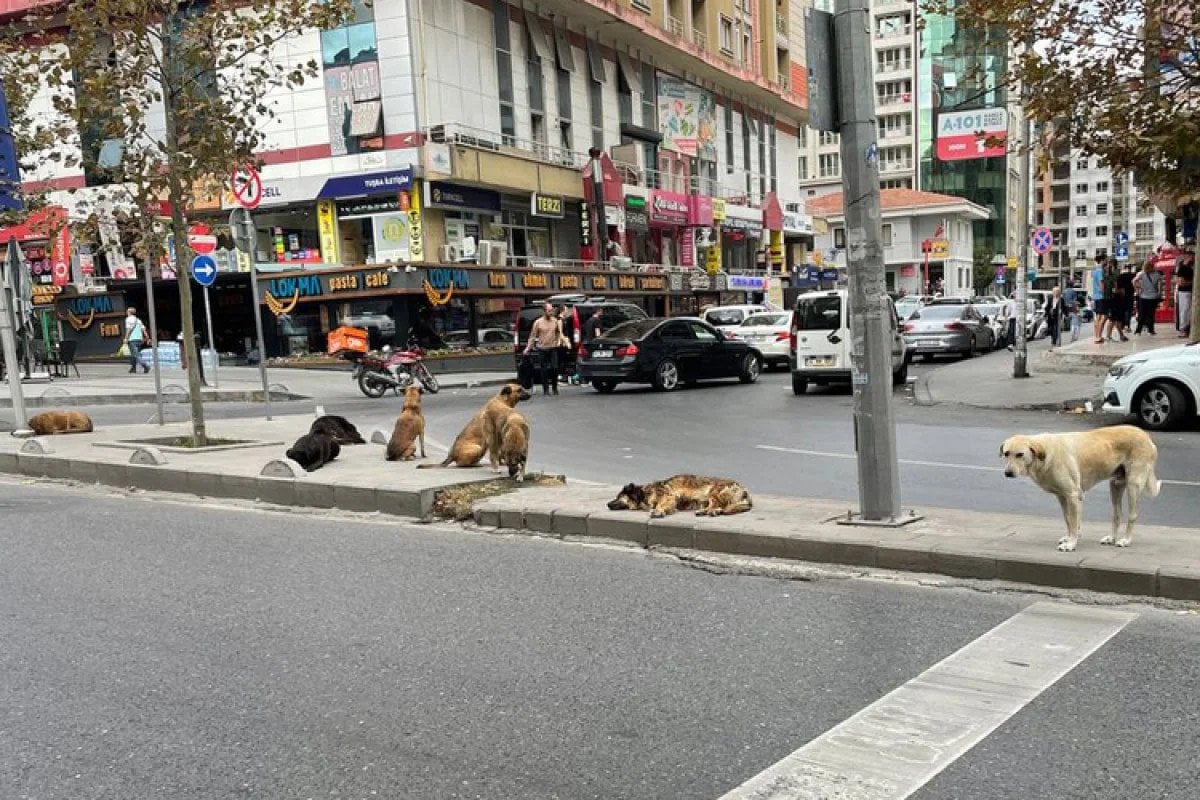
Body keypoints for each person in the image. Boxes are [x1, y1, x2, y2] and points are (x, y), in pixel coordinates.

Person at [524, 301, 563, 395]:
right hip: (542, 348)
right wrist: (527, 348)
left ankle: (554, 387)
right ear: (544, 311)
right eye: (549, 311)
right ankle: (546, 389)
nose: (551, 312)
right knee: (544, 369)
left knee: (555, 368)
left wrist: (559, 341)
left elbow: (559, 333)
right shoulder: (538, 322)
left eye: (552, 310)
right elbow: (532, 336)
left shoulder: (555, 321)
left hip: (553, 348)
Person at [1133, 261, 1163, 335]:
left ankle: (1138, 331)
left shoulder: (1141, 274)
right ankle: (1151, 330)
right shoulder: (1157, 274)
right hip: (1153, 297)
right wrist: (1159, 293)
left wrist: (1138, 289)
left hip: (1143, 297)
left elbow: (1134, 281)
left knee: (1142, 314)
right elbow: (1160, 286)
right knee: (1151, 314)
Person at [1109, 261, 1133, 342]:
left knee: (1115, 319)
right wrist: (1121, 291)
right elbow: (1117, 289)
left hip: (1114, 299)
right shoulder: (1116, 275)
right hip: (1118, 299)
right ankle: (1113, 336)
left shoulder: (1113, 275)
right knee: (1114, 319)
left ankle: (1120, 335)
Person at [122, 307, 150, 374]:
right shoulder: (138, 320)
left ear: (129, 312)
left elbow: (128, 329)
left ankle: (145, 366)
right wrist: (147, 338)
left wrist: (126, 338)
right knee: (134, 354)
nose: (126, 313)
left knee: (136, 355)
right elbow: (144, 329)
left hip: (132, 339)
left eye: (127, 311)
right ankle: (133, 368)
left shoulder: (128, 319)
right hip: (139, 339)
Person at [1091, 255, 1109, 344]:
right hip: (1101, 296)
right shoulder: (1100, 271)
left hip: (1096, 296)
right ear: (1102, 260)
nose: (1106, 261)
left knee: (1098, 317)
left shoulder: (1094, 271)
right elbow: (1102, 283)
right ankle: (1098, 336)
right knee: (1104, 316)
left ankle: (1096, 335)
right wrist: (1104, 293)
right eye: (1105, 260)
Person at [1176, 255, 1194, 338]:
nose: (1193, 258)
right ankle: (1182, 329)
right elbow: (1181, 283)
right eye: (1191, 257)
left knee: (1188, 311)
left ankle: (1186, 328)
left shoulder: (1191, 268)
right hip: (1184, 292)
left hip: (1190, 292)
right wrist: (1193, 283)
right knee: (1184, 310)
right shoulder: (1182, 268)